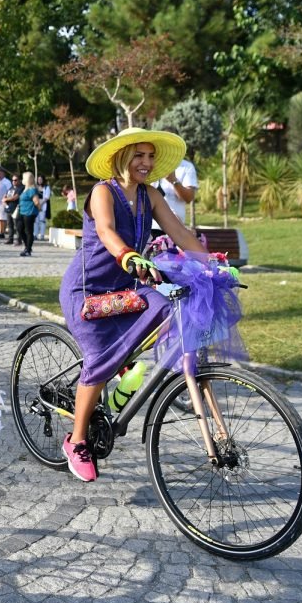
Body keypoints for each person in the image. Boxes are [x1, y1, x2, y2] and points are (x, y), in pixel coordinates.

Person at [58, 128, 206, 482]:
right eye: (139, 155)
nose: (146, 163)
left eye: (151, 156)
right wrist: (128, 256)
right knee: (99, 358)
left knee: (168, 307)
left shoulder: (149, 194)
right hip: (88, 293)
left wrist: (211, 262)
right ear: (122, 157)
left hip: (125, 289)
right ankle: (76, 440)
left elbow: (179, 232)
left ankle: (123, 368)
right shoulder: (102, 192)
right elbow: (107, 231)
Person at [151, 154, 198, 235]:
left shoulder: (186, 166)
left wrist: (173, 180)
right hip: (148, 227)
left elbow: (188, 198)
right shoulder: (149, 163)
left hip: (174, 229)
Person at [17, 172, 41, 257]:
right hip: (22, 211)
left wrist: (39, 209)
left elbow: (36, 201)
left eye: (23, 178)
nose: (22, 180)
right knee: (20, 228)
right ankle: (27, 246)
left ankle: (28, 249)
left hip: (29, 212)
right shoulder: (24, 189)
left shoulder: (32, 190)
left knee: (28, 231)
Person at [3, 173, 25, 245]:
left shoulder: (21, 188)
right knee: (10, 225)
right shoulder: (11, 188)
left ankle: (19, 240)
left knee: (17, 225)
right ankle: (10, 239)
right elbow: (5, 196)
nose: (14, 182)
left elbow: (15, 197)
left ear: (19, 180)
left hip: (16, 208)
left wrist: (6, 199)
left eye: (15, 180)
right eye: (12, 180)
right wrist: (4, 200)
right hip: (9, 208)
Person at [0, 169, 12, 238]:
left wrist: (6, 199)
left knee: (2, 218)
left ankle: (2, 232)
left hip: (3, 202)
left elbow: (10, 191)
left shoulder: (7, 182)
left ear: (3, 174)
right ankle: (0, 231)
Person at [34, 175, 52, 240]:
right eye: (38, 179)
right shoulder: (36, 187)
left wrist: (40, 204)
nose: (39, 181)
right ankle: (35, 234)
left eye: (40, 179)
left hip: (43, 206)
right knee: (36, 221)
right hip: (36, 205)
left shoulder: (46, 187)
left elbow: (47, 197)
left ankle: (42, 235)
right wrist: (36, 204)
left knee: (42, 220)